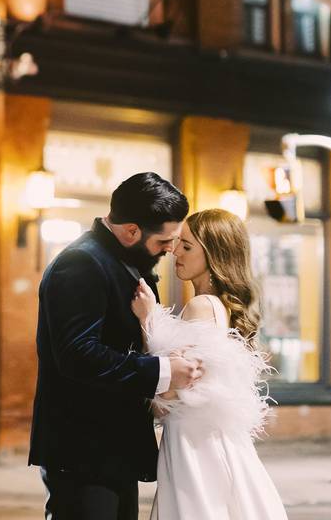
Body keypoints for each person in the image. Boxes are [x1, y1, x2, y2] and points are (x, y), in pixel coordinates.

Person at [29, 172, 202, 520]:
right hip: (83, 450)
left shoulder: (119, 258)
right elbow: (78, 354)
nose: (170, 250)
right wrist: (163, 371)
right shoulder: (81, 263)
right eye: (164, 241)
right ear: (132, 231)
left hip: (110, 449)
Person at [131, 208, 288, 520]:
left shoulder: (201, 306)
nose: (175, 251)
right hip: (206, 439)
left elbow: (171, 394)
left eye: (187, 247)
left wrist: (148, 320)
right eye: (178, 243)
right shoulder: (218, 307)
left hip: (195, 446)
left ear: (215, 255)